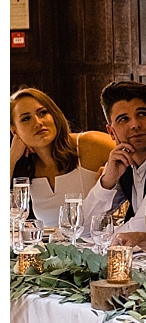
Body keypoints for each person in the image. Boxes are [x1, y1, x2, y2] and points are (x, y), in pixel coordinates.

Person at [82, 80, 146, 249]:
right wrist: (108, 180)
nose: (135, 124)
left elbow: (144, 227)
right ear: (111, 131)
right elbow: (83, 227)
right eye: (123, 119)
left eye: (142, 114)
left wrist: (99, 240)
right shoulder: (122, 159)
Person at [10, 87, 114, 227]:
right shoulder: (25, 166)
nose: (38, 122)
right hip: (48, 248)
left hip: (96, 246)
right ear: (14, 130)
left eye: (42, 113)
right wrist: (11, 158)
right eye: (26, 118)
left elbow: (139, 159)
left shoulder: (88, 144)